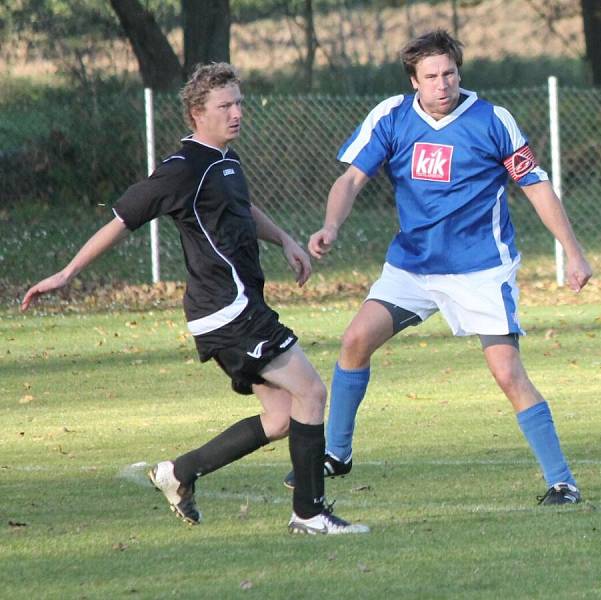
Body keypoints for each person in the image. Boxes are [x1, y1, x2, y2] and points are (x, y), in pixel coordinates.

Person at [20, 62, 368, 535]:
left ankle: (179, 473)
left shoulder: (226, 160)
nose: (237, 112)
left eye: (239, 102)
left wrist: (284, 240)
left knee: (282, 416)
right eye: (225, 105)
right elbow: (122, 220)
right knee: (312, 392)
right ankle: (308, 514)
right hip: (228, 311)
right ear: (196, 113)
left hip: (237, 307)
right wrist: (67, 272)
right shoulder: (181, 169)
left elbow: (243, 208)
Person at [283, 30, 592, 505]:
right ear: (415, 81)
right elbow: (350, 179)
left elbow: (537, 187)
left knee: (508, 374)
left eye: (449, 72)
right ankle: (336, 454)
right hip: (413, 266)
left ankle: (562, 481)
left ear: (459, 72)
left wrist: (573, 251)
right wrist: (331, 226)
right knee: (355, 340)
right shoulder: (391, 116)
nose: (443, 83)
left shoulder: (494, 120)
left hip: (480, 268)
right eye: (431, 76)